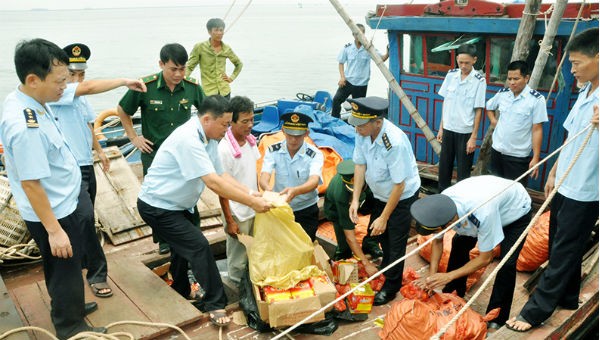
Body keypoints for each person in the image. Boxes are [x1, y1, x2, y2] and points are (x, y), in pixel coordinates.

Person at [0, 38, 142, 339]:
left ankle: (70, 307)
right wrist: (53, 230)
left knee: (68, 264)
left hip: (66, 198)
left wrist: (122, 81)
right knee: (64, 267)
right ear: (33, 79)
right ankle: (71, 327)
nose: (66, 86)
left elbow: (82, 90)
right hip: (55, 210)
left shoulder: (34, 98)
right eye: (61, 81)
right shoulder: (25, 126)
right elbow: (30, 182)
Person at [136, 95, 271, 327]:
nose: (227, 130)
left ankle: (181, 289)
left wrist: (251, 194)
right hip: (158, 206)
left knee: (182, 249)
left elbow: (223, 175)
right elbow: (214, 183)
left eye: (230, 124)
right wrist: (253, 204)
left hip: (179, 206)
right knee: (198, 245)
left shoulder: (210, 138)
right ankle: (215, 303)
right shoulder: (189, 140)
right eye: (225, 124)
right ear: (207, 119)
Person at [506, 28, 599, 333]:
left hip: (587, 189)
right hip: (568, 181)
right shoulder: (586, 90)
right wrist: (555, 169)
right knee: (559, 240)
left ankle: (535, 312)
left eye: (577, 63)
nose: (572, 70)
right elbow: (572, 136)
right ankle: (569, 297)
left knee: (564, 251)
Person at [49, 43, 145, 299]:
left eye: (82, 74)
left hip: (85, 164)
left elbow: (88, 125)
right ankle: (97, 273)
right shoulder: (61, 94)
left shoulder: (79, 100)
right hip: (68, 169)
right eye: (73, 74)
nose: (79, 79)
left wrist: (99, 152)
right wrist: (125, 81)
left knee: (84, 219)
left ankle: (81, 262)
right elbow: (89, 87)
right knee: (83, 217)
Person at [411, 175, 532, 328]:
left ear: (449, 223)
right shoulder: (442, 206)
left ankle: (496, 318)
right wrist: (432, 279)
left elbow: (485, 258)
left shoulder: (482, 213)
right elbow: (438, 240)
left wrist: (448, 276)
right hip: (487, 203)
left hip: (514, 212)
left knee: (507, 263)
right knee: (458, 243)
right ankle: (454, 293)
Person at [117, 43, 205, 255]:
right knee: (158, 198)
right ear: (161, 64)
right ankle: (164, 240)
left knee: (188, 192)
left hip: (183, 153)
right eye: (173, 69)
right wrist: (133, 137)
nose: (178, 74)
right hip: (154, 152)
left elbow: (206, 113)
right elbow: (122, 109)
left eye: (182, 69)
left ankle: (192, 232)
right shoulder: (145, 86)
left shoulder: (192, 86)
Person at [348, 96, 421, 305]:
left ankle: (391, 287)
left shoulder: (394, 142)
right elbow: (360, 166)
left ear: (377, 123)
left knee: (395, 241)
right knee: (381, 236)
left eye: (361, 125)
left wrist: (384, 217)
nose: (356, 129)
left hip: (401, 197)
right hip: (380, 192)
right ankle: (388, 266)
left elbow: (400, 185)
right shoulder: (362, 133)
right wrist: (355, 199)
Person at [259, 106, 324, 241]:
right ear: (283, 131)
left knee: (306, 245)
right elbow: (264, 175)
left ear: (306, 133)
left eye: (298, 135)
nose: (293, 140)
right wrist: (267, 189)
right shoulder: (273, 150)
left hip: (306, 209)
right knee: (280, 245)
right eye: (290, 134)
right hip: (280, 209)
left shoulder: (315, 155)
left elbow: (313, 181)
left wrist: (296, 191)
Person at [217, 96, 260, 283]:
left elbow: (253, 173)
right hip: (236, 211)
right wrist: (229, 219)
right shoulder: (224, 149)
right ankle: (235, 287)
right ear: (231, 122)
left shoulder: (251, 141)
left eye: (252, 120)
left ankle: (250, 286)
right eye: (245, 121)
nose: (250, 125)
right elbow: (221, 188)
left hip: (253, 208)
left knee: (254, 250)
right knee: (237, 257)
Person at [485, 60, 548, 186]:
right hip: (497, 151)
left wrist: (535, 157)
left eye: (516, 78)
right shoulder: (503, 94)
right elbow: (489, 106)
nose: (512, 82)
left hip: (517, 157)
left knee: (515, 192)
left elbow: (537, 129)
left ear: (526, 78)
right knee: (495, 189)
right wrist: (493, 120)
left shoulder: (536, 100)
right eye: (509, 79)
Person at [436, 44, 486, 192]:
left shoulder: (479, 80)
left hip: (465, 133)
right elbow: (446, 103)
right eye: (460, 62)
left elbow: (478, 110)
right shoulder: (451, 75)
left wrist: (473, 137)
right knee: (444, 167)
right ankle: (442, 199)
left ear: (474, 60)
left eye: (467, 63)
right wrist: (441, 128)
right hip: (448, 129)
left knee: (463, 172)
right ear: (457, 59)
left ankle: (461, 203)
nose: (463, 66)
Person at [323, 159, 383, 269]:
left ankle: (370, 243)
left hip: (363, 198)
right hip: (335, 209)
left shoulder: (368, 178)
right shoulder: (341, 196)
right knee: (345, 245)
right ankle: (341, 260)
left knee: (379, 208)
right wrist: (366, 264)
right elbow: (350, 237)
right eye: (353, 191)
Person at [331, 23, 389, 118]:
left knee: (358, 108)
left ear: (364, 34)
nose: (359, 36)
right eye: (357, 34)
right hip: (348, 82)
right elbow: (341, 62)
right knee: (336, 100)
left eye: (362, 34)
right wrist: (342, 77)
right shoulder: (347, 48)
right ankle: (334, 122)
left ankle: (357, 128)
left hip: (361, 84)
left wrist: (388, 52)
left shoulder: (369, 48)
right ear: (353, 35)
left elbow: (381, 59)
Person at [185, 18, 243, 98]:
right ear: (209, 32)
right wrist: (183, 82)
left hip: (225, 92)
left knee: (226, 111)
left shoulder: (226, 48)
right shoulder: (200, 47)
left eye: (221, 30)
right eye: (216, 30)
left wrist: (231, 78)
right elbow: (189, 67)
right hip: (208, 93)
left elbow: (239, 64)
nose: (219, 33)